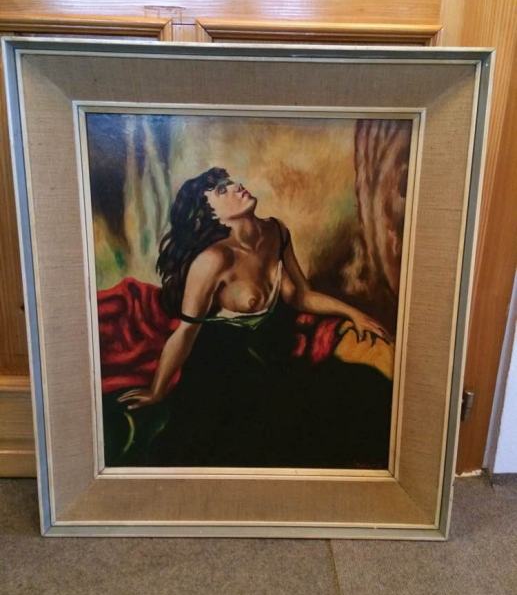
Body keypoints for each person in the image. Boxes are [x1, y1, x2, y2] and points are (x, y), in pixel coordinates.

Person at [116, 167, 393, 469]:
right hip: (220, 366)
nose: (236, 187)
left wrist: (353, 313)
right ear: (211, 215)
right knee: (267, 433)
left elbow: (300, 295)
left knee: (364, 390)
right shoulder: (213, 260)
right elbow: (185, 332)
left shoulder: (276, 232)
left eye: (230, 182)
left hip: (268, 354)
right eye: (222, 190)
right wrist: (157, 390)